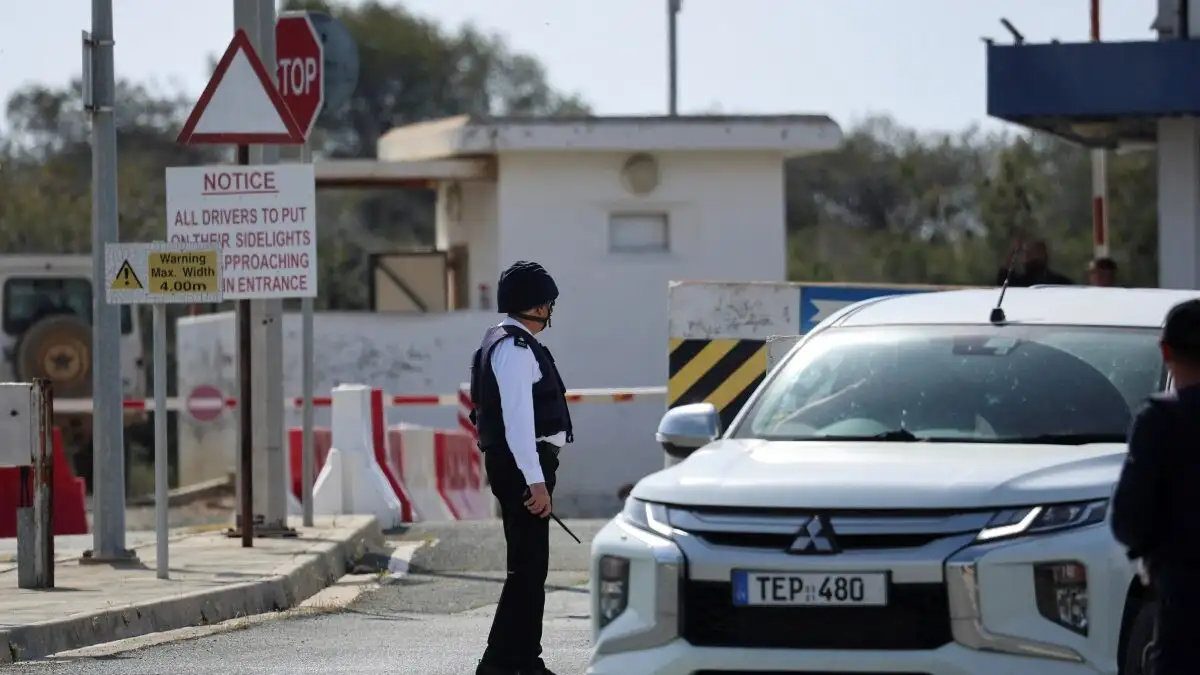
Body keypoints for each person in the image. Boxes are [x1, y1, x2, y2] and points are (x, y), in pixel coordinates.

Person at [471, 260, 573, 675]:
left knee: (529, 569)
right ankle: (501, 664)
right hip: (522, 466)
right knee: (527, 569)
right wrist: (536, 482)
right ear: (537, 306)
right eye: (548, 304)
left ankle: (522, 661)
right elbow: (518, 423)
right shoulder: (514, 348)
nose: (550, 312)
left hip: (521, 464)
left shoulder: (507, 341)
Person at [1111, 298, 1200, 675]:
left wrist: (1149, 553)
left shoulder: (1160, 421)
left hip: (1184, 602)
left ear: (1165, 351)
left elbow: (1128, 520)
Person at [995, 239, 1074, 287]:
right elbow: (1003, 278)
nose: (1031, 257)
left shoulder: (1060, 283)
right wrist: (1012, 251)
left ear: (1044, 255)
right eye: (1027, 254)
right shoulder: (1018, 284)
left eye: (1035, 253)